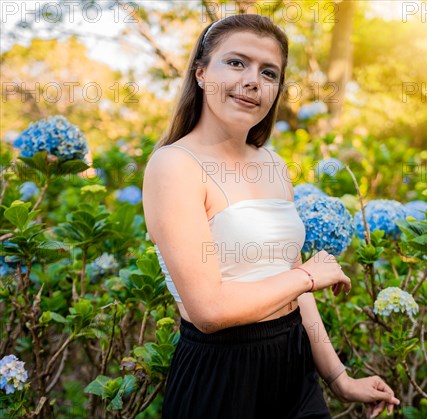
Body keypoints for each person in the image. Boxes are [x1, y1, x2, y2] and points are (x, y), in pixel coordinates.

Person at [142, 14, 400, 419]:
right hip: (223, 375)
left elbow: (294, 285)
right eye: (236, 63)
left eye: (268, 72)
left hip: (294, 369)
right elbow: (209, 311)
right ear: (201, 73)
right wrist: (309, 277)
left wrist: (339, 379)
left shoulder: (273, 164)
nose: (252, 81)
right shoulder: (174, 165)